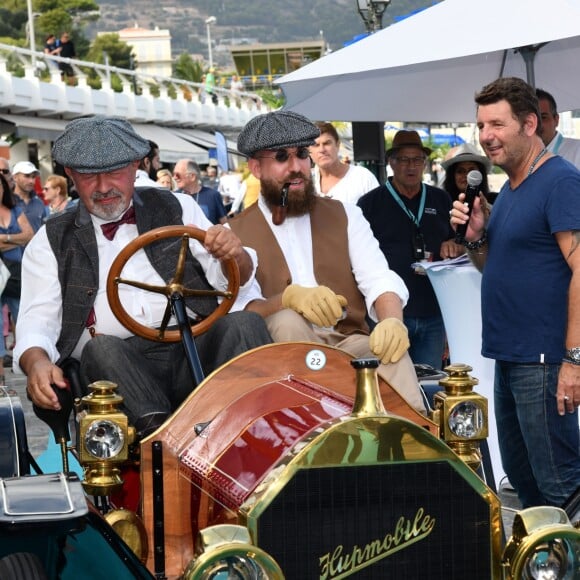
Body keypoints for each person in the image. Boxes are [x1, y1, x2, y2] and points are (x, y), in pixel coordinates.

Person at [14, 116, 271, 438]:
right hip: (118, 364)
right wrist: (36, 361)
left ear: (136, 166)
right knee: (101, 349)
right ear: (69, 173)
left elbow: (236, 280)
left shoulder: (178, 207)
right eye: (89, 176)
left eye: (115, 173)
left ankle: (260, 438)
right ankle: (162, 444)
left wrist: (234, 253)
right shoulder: (51, 237)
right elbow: (37, 318)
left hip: (194, 344)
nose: (104, 187)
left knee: (244, 325)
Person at [229, 110, 425, 414]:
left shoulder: (346, 214)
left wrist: (391, 321)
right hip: (279, 357)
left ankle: (415, 444)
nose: (297, 167)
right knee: (286, 320)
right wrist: (287, 300)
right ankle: (313, 437)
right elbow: (239, 309)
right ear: (256, 167)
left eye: (302, 155)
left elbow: (378, 279)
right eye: (282, 157)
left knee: (390, 351)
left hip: (345, 341)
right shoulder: (235, 232)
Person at [450, 77, 580, 508]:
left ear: (529, 124)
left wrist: (574, 361)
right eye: (481, 125)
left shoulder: (560, 180)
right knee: (526, 489)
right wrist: (475, 238)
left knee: (562, 492)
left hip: (543, 363)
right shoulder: (508, 189)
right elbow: (492, 265)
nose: (486, 136)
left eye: (497, 124)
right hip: (509, 360)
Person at [358, 130, 463, 371]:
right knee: (392, 384)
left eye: (417, 160)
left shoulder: (441, 199)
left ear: (425, 164)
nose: (411, 166)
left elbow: (460, 243)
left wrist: (454, 244)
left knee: (430, 383)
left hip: (433, 312)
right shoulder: (369, 204)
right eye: (404, 160)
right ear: (391, 163)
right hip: (389, 314)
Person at [0, 172, 33, 368]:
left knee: (22, 315)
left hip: (16, 272)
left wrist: (4, 239)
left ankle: (24, 357)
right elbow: (22, 236)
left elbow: (29, 235)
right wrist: (14, 238)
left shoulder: (14, 209)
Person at [309, 122, 379, 204]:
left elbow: (379, 213)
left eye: (327, 143)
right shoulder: (305, 181)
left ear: (337, 145)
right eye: (316, 145)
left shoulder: (363, 177)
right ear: (309, 151)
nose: (322, 150)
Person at [536, 88, 580, 168]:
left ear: (556, 120)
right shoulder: (520, 158)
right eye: (530, 119)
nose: (537, 124)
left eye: (543, 117)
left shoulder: (577, 151)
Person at [174, 159, 227, 224]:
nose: (175, 178)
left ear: (192, 176)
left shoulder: (213, 195)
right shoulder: (175, 196)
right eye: (174, 174)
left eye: (177, 175)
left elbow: (224, 224)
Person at [12, 161, 48, 232]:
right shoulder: (5, 201)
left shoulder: (39, 203)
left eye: (33, 177)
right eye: (27, 176)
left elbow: (43, 231)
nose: (31, 181)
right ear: (15, 177)